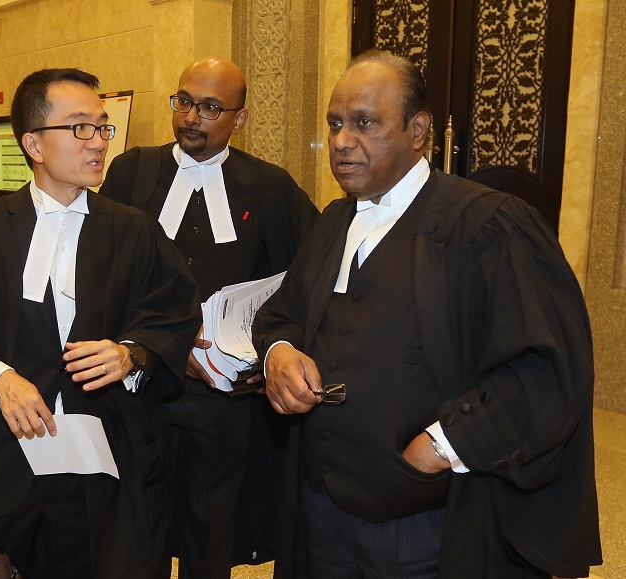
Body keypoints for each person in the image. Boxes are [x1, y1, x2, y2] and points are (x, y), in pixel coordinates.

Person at [252, 49, 602, 579]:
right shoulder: (331, 223)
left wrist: (437, 448)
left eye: (365, 123)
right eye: (336, 123)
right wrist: (279, 354)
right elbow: (282, 315)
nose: (342, 141)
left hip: (427, 523)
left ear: (418, 130)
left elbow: (549, 371)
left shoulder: (488, 226)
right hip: (321, 512)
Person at [0, 68, 201, 579]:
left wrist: (131, 352)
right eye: (79, 127)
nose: (98, 142)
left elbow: (172, 315)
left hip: (98, 463)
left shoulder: (136, 234)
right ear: (33, 144)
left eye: (102, 127)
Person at [99, 56, 319, 578]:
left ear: (238, 120)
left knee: (213, 523)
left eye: (210, 108)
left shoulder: (268, 186)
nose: (191, 117)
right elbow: (103, 271)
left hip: (221, 395)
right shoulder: (132, 172)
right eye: (184, 102)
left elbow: (305, 271)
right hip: (144, 381)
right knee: (140, 520)